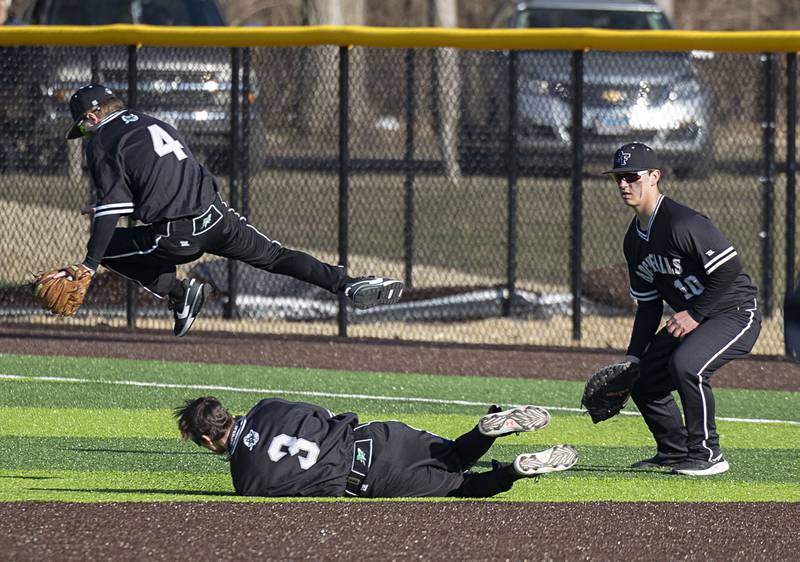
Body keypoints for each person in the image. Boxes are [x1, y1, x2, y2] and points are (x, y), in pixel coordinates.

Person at [64, 83, 404, 336]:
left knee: (107, 249)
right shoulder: (152, 121)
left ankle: (180, 293)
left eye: (82, 126)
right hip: (216, 216)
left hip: (179, 233)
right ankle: (347, 284)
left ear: (93, 116)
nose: (84, 133)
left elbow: (111, 211)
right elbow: (162, 179)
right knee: (274, 255)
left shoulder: (103, 141)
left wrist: (89, 266)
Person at [605, 142, 761, 476]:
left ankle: (708, 455)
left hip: (735, 311)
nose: (623, 184)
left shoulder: (682, 223)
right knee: (643, 379)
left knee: (687, 365)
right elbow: (648, 307)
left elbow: (729, 269)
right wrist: (633, 357)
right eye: (618, 177)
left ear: (654, 177)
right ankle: (675, 452)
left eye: (631, 176)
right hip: (697, 317)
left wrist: (694, 313)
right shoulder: (633, 241)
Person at [174, 396, 577, 498]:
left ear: (208, 439)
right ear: (226, 412)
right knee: (453, 454)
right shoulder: (267, 407)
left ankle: (515, 470)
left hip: (367, 477)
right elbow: (320, 413)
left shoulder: (245, 479)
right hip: (373, 437)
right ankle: (488, 431)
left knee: (464, 486)